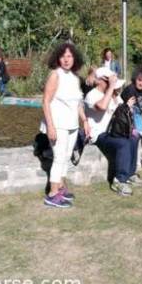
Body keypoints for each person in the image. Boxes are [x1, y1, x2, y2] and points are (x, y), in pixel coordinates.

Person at [41, 43, 90, 208]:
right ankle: (52, 194)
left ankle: (60, 187)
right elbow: (46, 101)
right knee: (59, 157)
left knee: (67, 156)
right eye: (63, 56)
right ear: (58, 58)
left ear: (74, 58)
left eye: (69, 56)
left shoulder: (76, 78)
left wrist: (85, 121)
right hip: (58, 124)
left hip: (72, 125)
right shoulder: (55, 75)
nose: (66, 59)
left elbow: (78, 103)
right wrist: (50, 126)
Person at [85, 67, 141, 196]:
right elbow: (102, 107)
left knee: (134, 138)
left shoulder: (113, 95)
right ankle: (119, 180)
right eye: (109, 81)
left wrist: (127, 108)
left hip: (114, 132)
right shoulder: (91, 95)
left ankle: (130, 173)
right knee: (123, 143)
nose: (114, 85)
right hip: (99, 134)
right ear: (100, 81)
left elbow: (122, 112)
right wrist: (111, 88)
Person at [121, 67, 142, 172]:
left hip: (141, 123)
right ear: (135, 79)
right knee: (136, 141)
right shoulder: (130, 89)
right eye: (139, 80)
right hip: (130, 124)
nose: (141, 83)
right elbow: (129, 110)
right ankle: (134, 165)